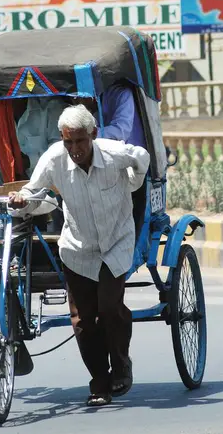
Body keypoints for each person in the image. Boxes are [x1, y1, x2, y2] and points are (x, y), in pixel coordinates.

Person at [9, 105, 150, 407]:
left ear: (93, 135)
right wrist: (21, 202)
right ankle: (99, 381)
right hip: (78, 248)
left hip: (116, 241)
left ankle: (122, 365)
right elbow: (34, 193)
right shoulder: (53, 159)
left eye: (80, 141)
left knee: (110, 308)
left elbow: (142, 158)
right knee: (83, 321)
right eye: (68, 142)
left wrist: (134, 181)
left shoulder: (114, 153)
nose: (74, 149)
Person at [75, 85, 147, 238]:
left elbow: (121, 130)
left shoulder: (122, 93)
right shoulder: (82, 102)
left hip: (128, 163)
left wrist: (88, 134)